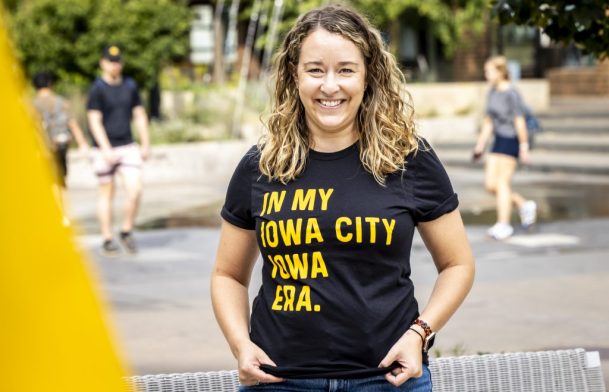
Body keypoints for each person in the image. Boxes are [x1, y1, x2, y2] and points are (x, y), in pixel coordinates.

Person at [211, 5, 475, 391]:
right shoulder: (261, 166)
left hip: (387, 380)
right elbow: (227, 275)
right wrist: (240, 345)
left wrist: (419, 334)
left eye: (345, 70)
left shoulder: (408, 159)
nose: (330, 86)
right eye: (315, 69)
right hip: (280, 381)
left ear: (368, 77)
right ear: (294, 76)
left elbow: (458, 263)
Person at [86, 45, 150, 256]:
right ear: (103, 62)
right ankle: (107, 237)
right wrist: (105, 148)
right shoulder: (97, 88)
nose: (115, 65)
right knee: (107, 192)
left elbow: (139, 114)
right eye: (111, 61)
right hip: (104, 148)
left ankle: (126, 230)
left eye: (118, 61)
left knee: (135, 189)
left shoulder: (130, 86)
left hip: (127, 145)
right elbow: (94, 120)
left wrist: (145, 142)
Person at [473, 56, 537, 240]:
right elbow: (489, 121)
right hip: (498, 139)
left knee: (502, 183)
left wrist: (524, 147)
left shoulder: (512, 93)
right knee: (491, 184)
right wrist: (480, 145)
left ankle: (503, 225)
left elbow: (519, 121)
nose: (486, 75)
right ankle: (524, 204)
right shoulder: (492, 92)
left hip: (512, 140)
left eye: (489, 71)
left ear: (501, 72)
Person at [32, 71, 89, 188]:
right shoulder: (61, 101)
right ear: (50, 84)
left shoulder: (31, 104)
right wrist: (83, 144)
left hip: (41, 146)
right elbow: (72, 123)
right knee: (61, 176)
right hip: (61, 142)